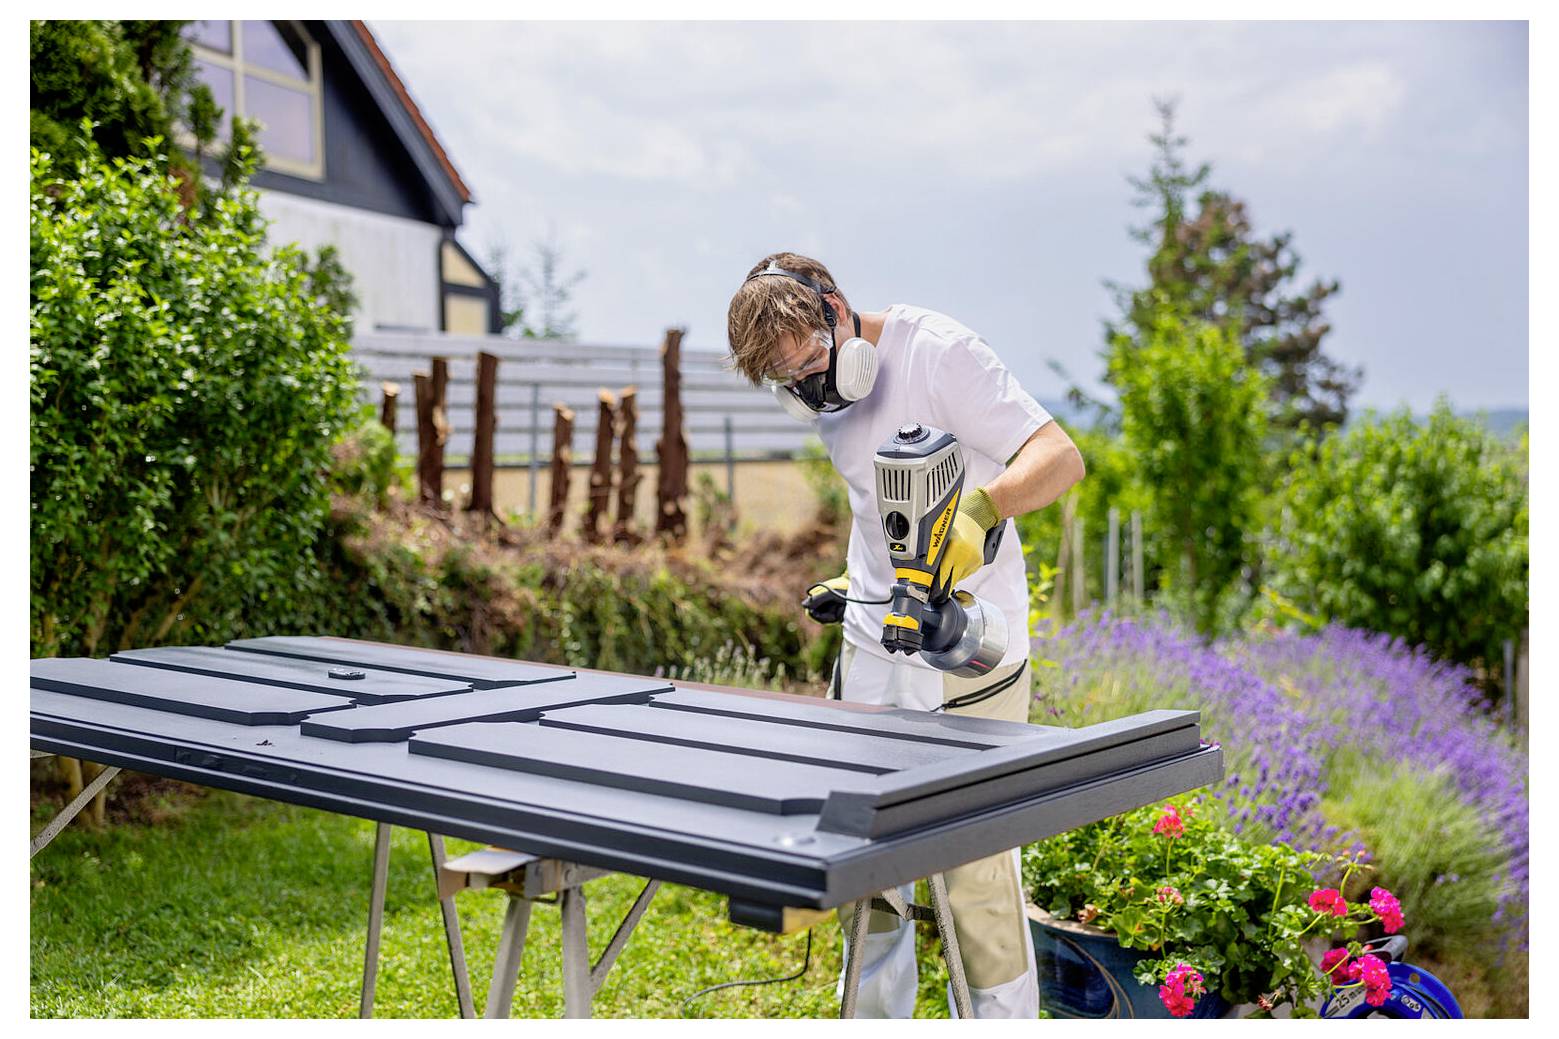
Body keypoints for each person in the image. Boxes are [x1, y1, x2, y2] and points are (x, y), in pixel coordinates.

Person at [724, 252, 1086, 1019]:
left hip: (970, 646)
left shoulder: (939, 351)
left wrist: (983, 510)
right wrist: (856, 586)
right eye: (792, 381)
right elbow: (878, 509)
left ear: (836, 306)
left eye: (816, 358)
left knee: (975, 871)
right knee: (871, 868)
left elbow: (1059, 457)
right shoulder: (825, 397)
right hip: (874, 646)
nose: (815, 386)